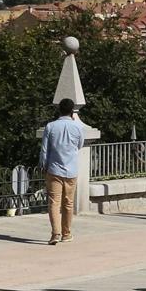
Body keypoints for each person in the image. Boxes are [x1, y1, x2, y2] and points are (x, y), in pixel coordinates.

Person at [39, 98, 85, 245]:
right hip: (71, 170)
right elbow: (80, 145)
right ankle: (67, 233)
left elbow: (44, 149)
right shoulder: (77, 127)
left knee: (54, 202)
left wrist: (43, 165)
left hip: (54, 169)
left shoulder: (50, 126)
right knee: (68, 203)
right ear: (72, 111)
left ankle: (55, 234)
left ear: (59, 110)